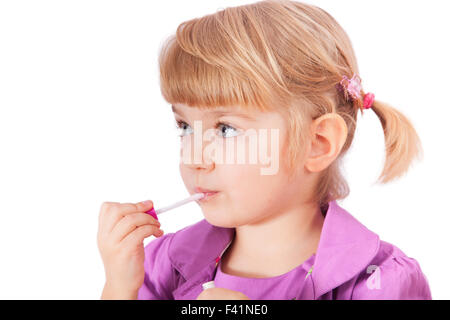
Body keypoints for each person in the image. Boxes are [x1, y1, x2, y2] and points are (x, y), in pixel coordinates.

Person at [97, 0, 431, 300]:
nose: (194, 156)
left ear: (318, 143)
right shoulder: (164, 266)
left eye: (226, 129)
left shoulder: (381, 283)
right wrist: (119, 287)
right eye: (185, 127)